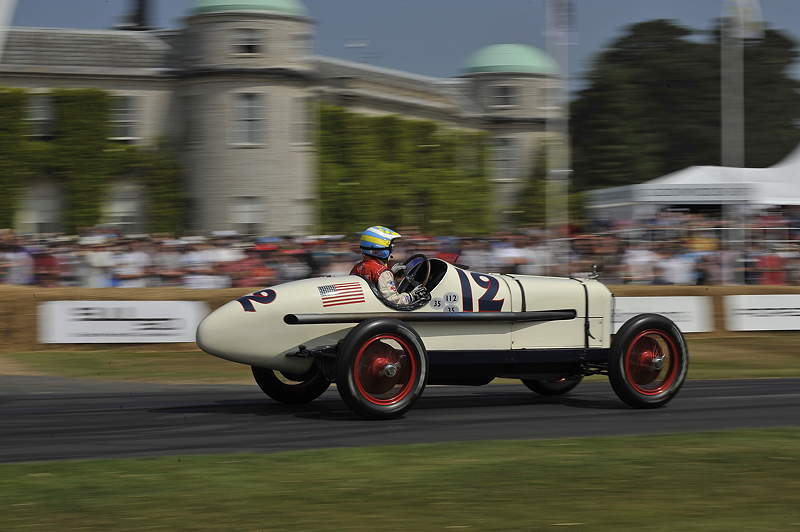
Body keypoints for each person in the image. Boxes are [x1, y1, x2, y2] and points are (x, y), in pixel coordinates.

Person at [351, 226, 427, 306]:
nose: (391, 251)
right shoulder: (382, 273)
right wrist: (411, 296)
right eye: (390, 247)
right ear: (381, 249)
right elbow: (393, 301)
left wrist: (391, 274)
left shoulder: (356, 268)